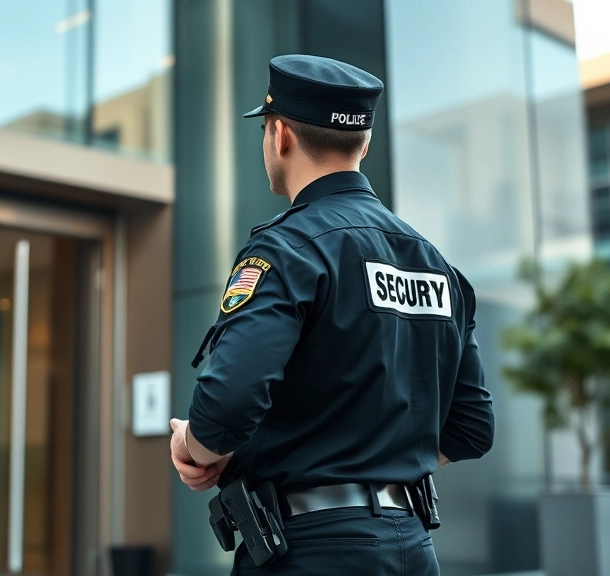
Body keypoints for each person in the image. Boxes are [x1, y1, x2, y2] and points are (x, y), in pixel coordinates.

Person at [169, 54, 495, 575]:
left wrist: (194, 444)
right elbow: (471, 429)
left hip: (309, 553)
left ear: (280, 136)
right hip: (412, 549)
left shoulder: (288, 249)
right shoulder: (438, 266)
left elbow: (226, 405)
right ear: (363, 145)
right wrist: (375, 468)